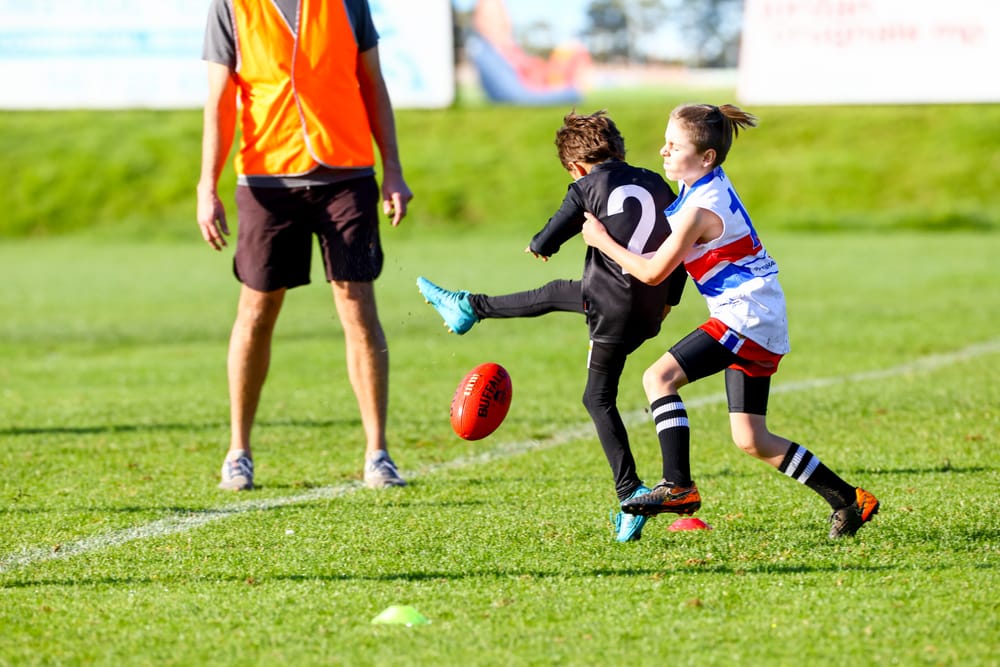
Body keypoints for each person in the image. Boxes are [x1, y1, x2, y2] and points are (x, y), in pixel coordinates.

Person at [581, 103, 880, 538]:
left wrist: (601, 240)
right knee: (751, 439)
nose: (663, 151)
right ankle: (850, 500)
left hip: (746, 316)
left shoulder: (701, 210)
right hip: (757, 315)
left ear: (707, 158)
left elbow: (650, 272)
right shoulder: (702, 186)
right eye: (665, 141)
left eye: (675, 146)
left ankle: (678, 486)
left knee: (658, 379)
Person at [418, 110, 687, 541]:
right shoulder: (657, 181)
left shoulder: (585, 185)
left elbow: (550, 236)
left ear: (576, 166)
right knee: (557, 293)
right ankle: (468, 307)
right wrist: (670, 301)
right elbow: (681, 245)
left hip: (612, 303)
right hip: (649, 306)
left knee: (596, 398)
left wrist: (538, 244)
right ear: (619, 150)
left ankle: (629, 492)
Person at [195, 0, 413, 491]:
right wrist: (206, 186)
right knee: (256, 310)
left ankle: (378, 452)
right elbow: (219, 100)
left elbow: (373, 83)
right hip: (265, 180)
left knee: (358, 308)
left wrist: (392, 169)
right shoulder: (230, 6)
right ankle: (238, 451)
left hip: (347, 175)